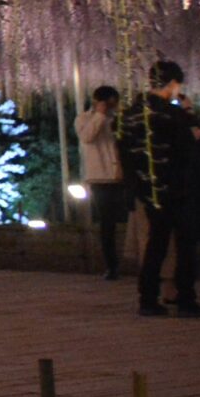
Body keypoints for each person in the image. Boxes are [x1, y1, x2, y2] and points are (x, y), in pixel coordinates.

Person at [119, 58, 200, 318]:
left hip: (148, 188)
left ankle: (147, 298)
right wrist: (189, 112)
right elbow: (193, 142)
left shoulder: (131, 113)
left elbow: (125, 152)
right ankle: (186, 299)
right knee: (184, 243)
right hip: (177, 186)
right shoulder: (172, 114)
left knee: (156, 243)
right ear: (172, 84)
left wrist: (135, 184)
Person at [77, 86, 130, 280]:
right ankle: (111, 265)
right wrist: (99, 115)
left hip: (121, 176)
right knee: (107, 223)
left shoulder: (118, 119)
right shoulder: (84, 119)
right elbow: (87, 137)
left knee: (127, 219)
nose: (113, 107)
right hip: (100, 177)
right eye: (110, 103)